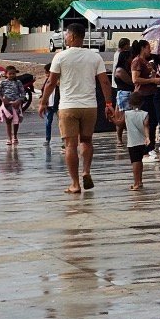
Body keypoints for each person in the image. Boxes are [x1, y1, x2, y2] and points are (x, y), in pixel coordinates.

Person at [39, 23, 114, 194]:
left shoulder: (60, 57)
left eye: (66, 35)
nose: (65, 37)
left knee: (70, 145)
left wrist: (43, 102)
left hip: (68, 107)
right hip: (89, 107)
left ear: (72, 37)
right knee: (87, 141)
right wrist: (109, 104)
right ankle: (86, 171)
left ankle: (75, 184)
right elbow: (104, 82)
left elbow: (51, 82)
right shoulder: (95, 57)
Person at [130, 41, 160, 161]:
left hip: (151, 94)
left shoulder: (147, 62)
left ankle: (150, 147)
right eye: (148, 48)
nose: (150, 50)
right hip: (143, 96)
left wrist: (155, 78)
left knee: (153, 121)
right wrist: (151, 81)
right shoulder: (137, 61)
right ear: (143, 48)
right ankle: (145, 150)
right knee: (146, 123)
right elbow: (135, 79)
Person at [124, 91, 150, 191]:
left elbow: (119, 122)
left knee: (135, 162)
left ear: (129, 103)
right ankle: (140, 180)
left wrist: (112, 118)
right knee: (140, 161)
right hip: (142, 142)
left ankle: (135, 182)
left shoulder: (127, 114)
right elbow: (146, 126)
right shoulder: (145, 114)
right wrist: (147, 137)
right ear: (142, 103)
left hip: (132, 142)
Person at [112, 39, 133, 146]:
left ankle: (124, 138)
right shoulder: (120, 70)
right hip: (124, 93)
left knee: (127, 117)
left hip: (127, 93)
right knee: (122, 118)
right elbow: (130, 81)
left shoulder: (127, 68)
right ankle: (119, 138)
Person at [0, 65, 24, 145]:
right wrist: (3, 99)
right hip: (6, 105)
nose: (12, 75)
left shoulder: (18, 82)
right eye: (10, 74)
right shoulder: (3, 82)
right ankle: (9, 138)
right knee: (8, 122)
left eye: (13, 73)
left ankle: (15, 136)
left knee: (16, 121)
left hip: (16, 104)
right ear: (6, 74)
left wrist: (18, 101)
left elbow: (23, 93)